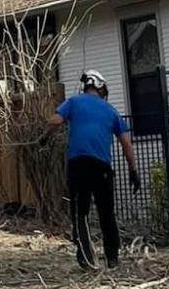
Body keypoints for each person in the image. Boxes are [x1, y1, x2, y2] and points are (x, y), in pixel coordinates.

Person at [50, 70, 142, 271]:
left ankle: (86, 259)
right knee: (107, 212)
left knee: (79, 213)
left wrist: (44, 137)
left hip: (78, 165)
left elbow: (55, 121)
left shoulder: (73, 102)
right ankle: (112, 258)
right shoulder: (111, 111)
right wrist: (133, 170)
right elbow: (127, 144)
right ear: (101, 87)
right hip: (102, 167)